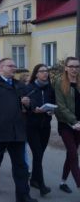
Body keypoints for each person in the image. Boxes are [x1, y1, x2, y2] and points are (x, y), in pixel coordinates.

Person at [0, 58, 37, 202]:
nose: (14, 68)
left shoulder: (19, 85)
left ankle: (23, 195)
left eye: (15, 66)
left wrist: (29, 104)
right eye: (10, 66)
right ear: (0, 68)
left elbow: (31, 103)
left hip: (17, 131)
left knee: (20, 165)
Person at [25, 64, 55, 196]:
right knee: (37, 154)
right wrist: (33, 109)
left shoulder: (50, 88)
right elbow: (24, 104)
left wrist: (51, 111)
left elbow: (54, 103)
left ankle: (34, 180)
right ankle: (42, 186)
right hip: (31, 126)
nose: (45, 73)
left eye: (46, 71)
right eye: (42, 71)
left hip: (45, 126)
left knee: (39, 155)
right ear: (36, 74)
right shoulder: (29, 88)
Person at [54, 56, 80, 194]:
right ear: (66, 68)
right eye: (71, 66)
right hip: (66, 124)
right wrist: (74, 122)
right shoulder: (59, 82)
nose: (74, 69)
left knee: (71, 155)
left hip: (79, 124)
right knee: (73, 154)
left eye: (77, 66)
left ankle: (62, 182)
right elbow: (61, 106)